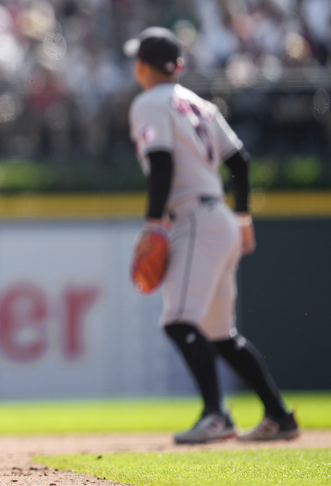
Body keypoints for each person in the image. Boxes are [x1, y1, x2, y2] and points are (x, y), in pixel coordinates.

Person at [125, 26, 299, 444]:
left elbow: (162, 163)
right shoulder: (200, 104)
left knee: (178, 322)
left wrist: (153, 222)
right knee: (221, 335)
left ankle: (215, 414)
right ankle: (279, 416)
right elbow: (239, 161)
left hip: (194, 219)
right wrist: (242, 217)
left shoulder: (149, 102)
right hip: (219, 218)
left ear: (144, 67)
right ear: (179, 67)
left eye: (139, 61)